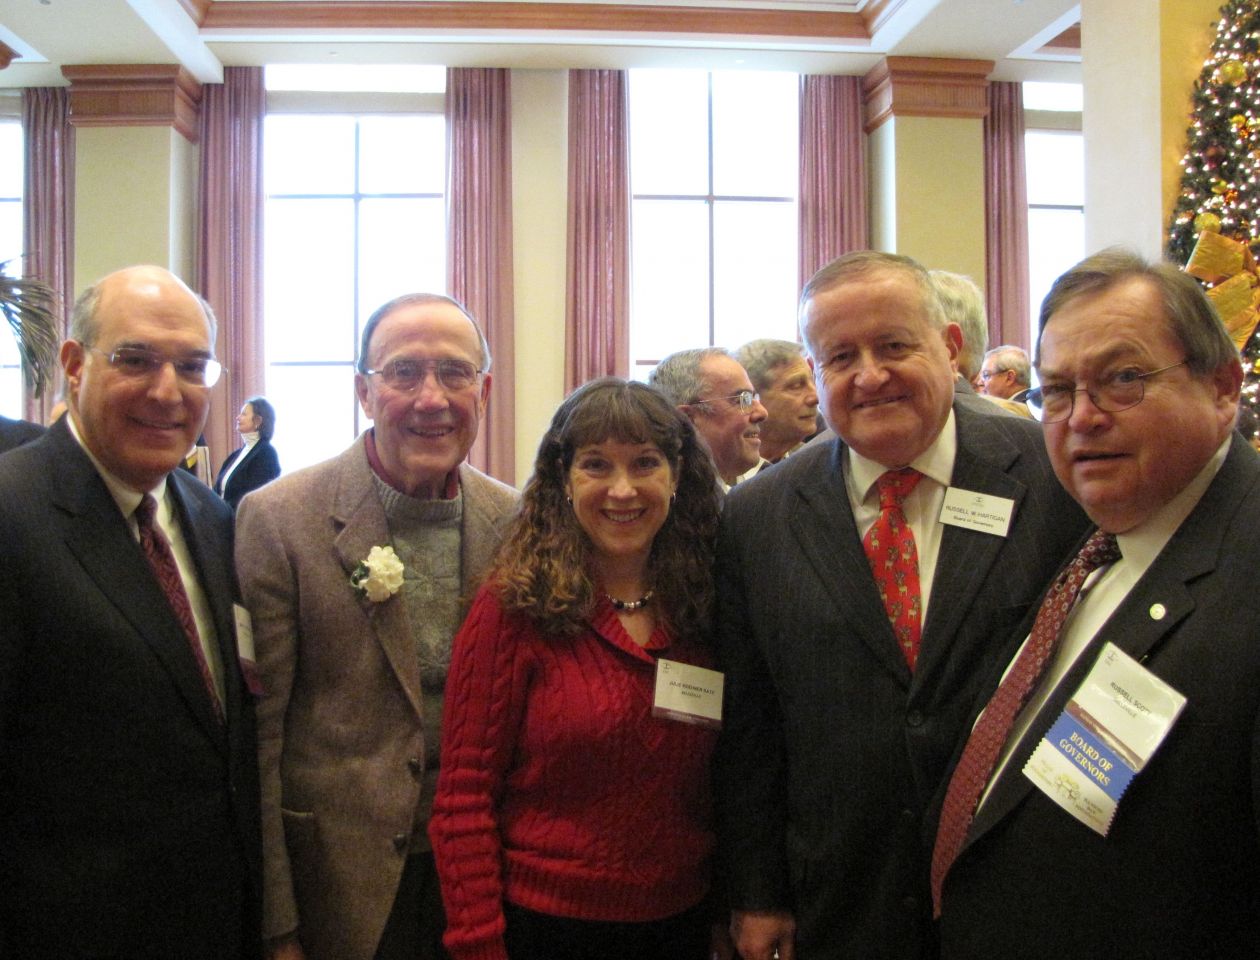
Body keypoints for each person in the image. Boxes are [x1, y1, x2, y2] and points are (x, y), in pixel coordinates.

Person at [712, 251, 1089, 960]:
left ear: (949, 349)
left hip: (1020, 892)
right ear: (817, 376)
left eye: (894, 346)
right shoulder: (758, 517)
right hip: (842, 899)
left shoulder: (1049, 474)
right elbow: (752, 725)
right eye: (841, 357)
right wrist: (757, 892)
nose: (870, 375)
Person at [932, 250, 1259, 957]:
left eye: (1123, 379)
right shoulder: (1094, 539)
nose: (1082, 417)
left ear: (1223, 387)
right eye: (1056, 391)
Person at [235, 293, 519, 960]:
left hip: (479, 879)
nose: (431, 398)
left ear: (483, 391)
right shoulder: (280, 519)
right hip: (339, 884)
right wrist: (277, 927)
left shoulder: (514, 520)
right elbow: (262, 737)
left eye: (454, 374)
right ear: (364, 391)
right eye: (403, 373)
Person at [0, 265, 262, 957]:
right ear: (74, 365)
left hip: (213, 923)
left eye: (192, 366)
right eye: (136, 360)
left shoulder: (208, 515)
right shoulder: (10, 512)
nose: (167, 390)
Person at [430, 377, 724, 960]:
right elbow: (463, 799)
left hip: (683, 925)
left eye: (645, 463)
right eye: (596, 465)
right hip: (543, 931)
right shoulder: (513, 607)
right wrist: (477, 944)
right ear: (564, 480)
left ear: (677, 475)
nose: (622, 490)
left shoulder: (709, 603)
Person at [649, 347, 768, 489]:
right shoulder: (669, 504)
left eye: (753, 398)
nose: (762, 412)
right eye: (742, 400)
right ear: (687, 419)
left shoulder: (762, 486)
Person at [735, 338, 819, 465]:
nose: (815, 397)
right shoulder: (712, 471)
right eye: (796, 385)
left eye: (813, 381)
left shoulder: (815, 463)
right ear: (751, 398)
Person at [215, 395, 282, 509]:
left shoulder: (267, 454)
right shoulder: (234, 456)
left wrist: (223, 512)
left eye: (244, 414)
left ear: (258, 420)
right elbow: (217, 491)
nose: (238, 417)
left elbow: (254, 495)